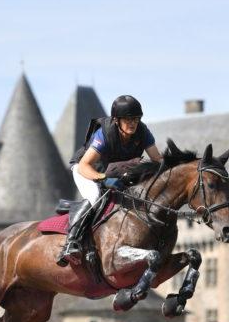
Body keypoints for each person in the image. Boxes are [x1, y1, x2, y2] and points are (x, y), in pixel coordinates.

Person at [56, 94, 163, 267]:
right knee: (95, 197)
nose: (133, 123)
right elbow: (85, 165)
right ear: (116, 120)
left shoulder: (143, 133)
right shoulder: (104, 134)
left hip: (114, 173)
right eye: (128, 119)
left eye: (136, 119)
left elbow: (157, 159)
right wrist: (103, 179)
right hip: (86, 170)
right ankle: (71, 243)